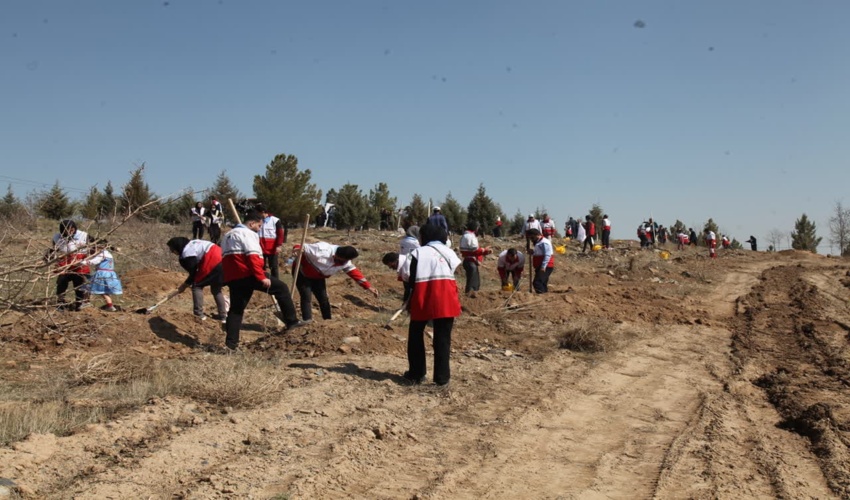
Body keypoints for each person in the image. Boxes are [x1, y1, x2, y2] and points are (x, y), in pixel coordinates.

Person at [221, 209, 304, 350]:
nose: (260, 229)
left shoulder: (227, 235)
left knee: (236, 310)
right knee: (282, 288)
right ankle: (292, 322)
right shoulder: (247, 234)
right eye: (259, 226)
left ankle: (231, 345)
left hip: (233, 277)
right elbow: (252, 256)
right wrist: (261, 276)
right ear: (252, 223)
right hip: (249, 274)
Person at [401, 223, 462, 386]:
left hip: (423, 296)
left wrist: (407, 300)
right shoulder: (450, 253)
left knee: (415, 334)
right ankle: (442, 379)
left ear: (423, 237)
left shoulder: (416, 253)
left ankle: (416, 374)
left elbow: (408, 278)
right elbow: (454, 269)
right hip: (447, 297)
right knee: (443, 339)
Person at [294, 241, 379, 322]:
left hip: (319, 277)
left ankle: (327, 321)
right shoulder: (322, 250)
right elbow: (301, 246)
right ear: (336, 255)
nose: (344, 262)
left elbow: (355, 274)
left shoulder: (345, 262)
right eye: (342, 260)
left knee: (323, 298)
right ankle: (307, 321)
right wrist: (297, 249)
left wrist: (368, 287)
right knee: (306, 296)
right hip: (302, 273)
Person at [167, 236, 229, 322]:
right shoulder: (194, 243)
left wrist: (184, 285)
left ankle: (198, 314)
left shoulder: (188, 252)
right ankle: (223, 316)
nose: (172, 252)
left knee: (197, 286)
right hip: (223, 259)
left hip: (212, 259)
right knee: (216, 290)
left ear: (177, 247)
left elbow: (194, 273)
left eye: (172, 249)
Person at [46, 220, 93, 311]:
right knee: (61, 283)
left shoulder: (83, 235)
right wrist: (46, 258)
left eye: (71, 230)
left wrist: (112, 248)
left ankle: (79, 304)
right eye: (67, 230)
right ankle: (60, 304)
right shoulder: (57, 237)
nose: (69, 232)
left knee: (79, 284)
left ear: (74, 228)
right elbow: (53, 249)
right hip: (64, 263)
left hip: (79, 263)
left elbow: (98, 244)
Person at [81, 240, 122, 312]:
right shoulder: (108, 254)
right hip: (110, 274)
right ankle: (110, 306)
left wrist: (82, 262)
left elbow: (94, 261)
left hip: (102, 274)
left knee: (88, 287)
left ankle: (86, 302)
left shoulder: (102, 254)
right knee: (104, 291)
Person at [459, 220, 491, 296]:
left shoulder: (465, 236)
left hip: (469, 260)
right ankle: (469, 295)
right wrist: (484, 250)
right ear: (476, 228)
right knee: (472, 282)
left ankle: (472, 293)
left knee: (475, 281)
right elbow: (475, 251)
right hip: (470, 261)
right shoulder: (470, 237)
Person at [256, 204, 285, 279]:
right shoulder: (257, 220)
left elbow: (280, 234)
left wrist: (279, 245)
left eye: (258, 213)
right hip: (260, 247)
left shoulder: (275, 220)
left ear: (262, 212)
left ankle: (276, 281)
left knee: (273, 266)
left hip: (272, 248)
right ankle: (263, 281)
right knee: (262, 265)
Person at [529, 228, 554, 293]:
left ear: (537, 235)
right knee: (543, 283)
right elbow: (540, 252)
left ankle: (541, 296)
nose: (531, 239)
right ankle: (545, 295)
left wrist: (543, 266)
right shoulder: (539, 242)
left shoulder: (544, 242)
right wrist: (533, 252)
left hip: (545, 266)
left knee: (537, 283)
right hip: (540, 266)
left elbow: (547, 254)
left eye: (532, 237)